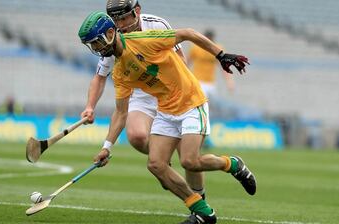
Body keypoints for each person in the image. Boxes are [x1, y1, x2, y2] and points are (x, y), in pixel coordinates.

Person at [78, 12, 256, 224]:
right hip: (166, 110)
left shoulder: (145, 39)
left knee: (190, 161)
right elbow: (121, 112)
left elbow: (188, 34)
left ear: (109, 33)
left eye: (97, 43)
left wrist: (221, 55)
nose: (96, 49)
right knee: (156, 164)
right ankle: (202, 212)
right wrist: (107, 146)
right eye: (92, 46)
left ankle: (233, 164)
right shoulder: (119, 72)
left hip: (191, 102)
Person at [80, 0, 207, 200]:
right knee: (137, 136)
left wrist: (181, 90)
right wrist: (90, 106)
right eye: (115, 19)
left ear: (136, 12)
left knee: (189, 157)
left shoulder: (156, 25)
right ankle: (163, 163)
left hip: (169, 87)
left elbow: (180, 59)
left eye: (122, 18)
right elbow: (100, 76)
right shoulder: (111, 39)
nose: (119, 25)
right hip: (141, 91)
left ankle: (200, 197)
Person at [188, 29, 235, 96]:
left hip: (211, 83)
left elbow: (224, 66)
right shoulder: (196, 48)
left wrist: (229, 81)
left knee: (211, 104)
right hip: (198, 81)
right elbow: (187, 63)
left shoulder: (217, 49)